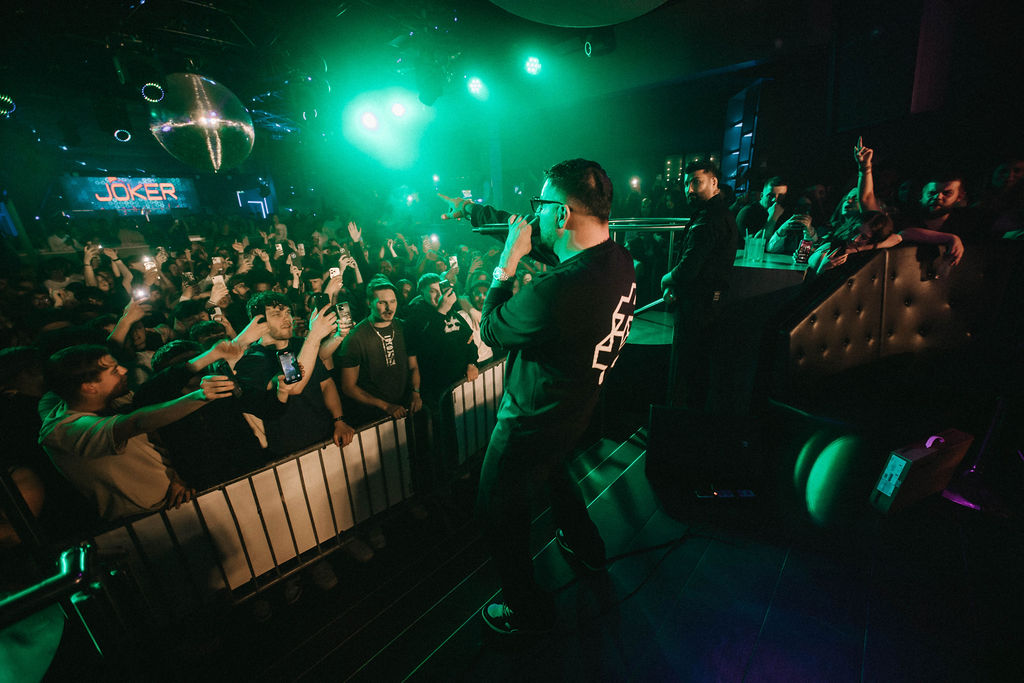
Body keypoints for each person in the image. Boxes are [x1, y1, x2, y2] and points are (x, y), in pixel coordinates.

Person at [443, 158, 636, 635]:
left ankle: (525, 610)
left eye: (542, 204)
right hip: (574, 408)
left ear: (563, 214)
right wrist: (476, 213)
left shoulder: (558, 291)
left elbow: (491, 329)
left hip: (528, 422)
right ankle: (588, 550)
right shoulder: (616, 260)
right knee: (557, 475)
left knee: (497, 512)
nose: (535, 213)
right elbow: (539, 239)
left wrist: (505, 264)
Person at [38, 345, 236, 521]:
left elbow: (156, 416)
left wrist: (178, 475)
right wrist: (201, 396)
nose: (124, 370)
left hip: (180, 502)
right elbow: (137, 423)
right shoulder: (62, 431)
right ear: (90, 387)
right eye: (114, 371)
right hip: (146, 521)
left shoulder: (116, 400)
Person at [660, 160, 738, 410]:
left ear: (714, 182)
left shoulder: (709, 219)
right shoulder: (719, 214)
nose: (689, 189)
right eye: (686, 184)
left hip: (699, 306)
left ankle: (683, 423)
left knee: (690, 371)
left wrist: (665, 280)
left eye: (696, 182)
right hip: (709, 304)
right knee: (700, 370)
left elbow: (688, 269)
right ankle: (693, 420)